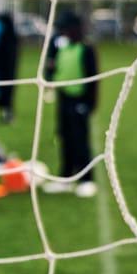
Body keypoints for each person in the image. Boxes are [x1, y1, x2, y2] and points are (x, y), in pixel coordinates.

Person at [46, 12, 99, 198]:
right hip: (64, 98)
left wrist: (90, 104)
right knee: (64, 137)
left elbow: (94, 79)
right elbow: (51, 68)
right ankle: (65, 177)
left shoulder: (86, 49)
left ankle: (86, 179)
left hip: (80, 100)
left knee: (80, 141)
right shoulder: (61, 47)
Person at [0, 9, 22, 122]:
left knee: (6, 93)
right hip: (8, 70)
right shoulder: (11, 35)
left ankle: (8, 114)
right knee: (7, 93)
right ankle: (7, 113)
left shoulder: (6, 36)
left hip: (6, 70)